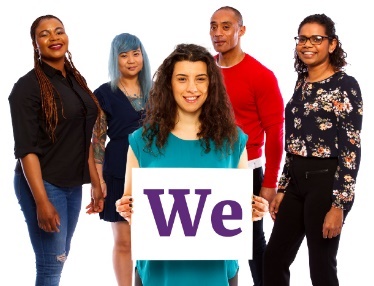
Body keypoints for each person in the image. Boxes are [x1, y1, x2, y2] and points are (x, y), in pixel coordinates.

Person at [115, 43, 269, 286]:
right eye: (182, 79)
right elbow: (134, 208)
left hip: (217, 274)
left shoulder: (234, 140)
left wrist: (253, 211)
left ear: (211, 84)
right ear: (169, 84)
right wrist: (127, 208)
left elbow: (238, 210)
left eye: (200, 79)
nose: (191, 88)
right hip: (158, 273)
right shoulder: (142, 141)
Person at [263, 14, 363, 286]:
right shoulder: (302, 82)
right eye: (303, 38)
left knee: (320, 266)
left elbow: (351, 148)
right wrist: (283, 187)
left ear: (332, 44)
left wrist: (339, 206)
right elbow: (294, 140)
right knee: (273, 259)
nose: (308, 44)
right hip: (296, 180)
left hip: (325, 181)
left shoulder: (345, 86)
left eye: (317, 38)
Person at [8, 15, 104, 286]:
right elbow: (26, 150)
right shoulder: (27, 88)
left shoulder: (74, 79)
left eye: (59, 31)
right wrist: (41, 201)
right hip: (43, 181)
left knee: (60, 257)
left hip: (72, 183)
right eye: (44, 34)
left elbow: (82, 135)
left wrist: (96, 183)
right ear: (35, 43)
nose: (54, 38)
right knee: (52, 264)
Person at [209, 6, 285, 286]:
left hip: (247, 170)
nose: (218, 33)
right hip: (209, 168)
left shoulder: (260, 75)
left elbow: (275, 134)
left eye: (226, 26)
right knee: (212, 239)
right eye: (213, 26)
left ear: (241, 30)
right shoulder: (204, 71)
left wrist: (270, 182)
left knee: (252, 241)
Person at [91, 32, 152, 286]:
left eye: (135, 53)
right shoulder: (104, 94)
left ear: (143, 56)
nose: (130, 60)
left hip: (154, 168)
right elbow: (97, 142)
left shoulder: (157, 90)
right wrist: (98, 182)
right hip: (118, 170)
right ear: (114, 60)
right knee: (124, 240)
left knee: (153, 238)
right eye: (123, 55)